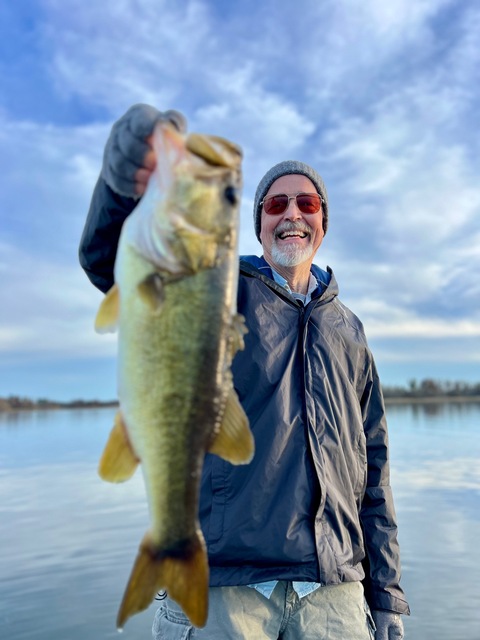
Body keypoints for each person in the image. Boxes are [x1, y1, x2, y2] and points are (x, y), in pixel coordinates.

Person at [79, 104, 410, 640]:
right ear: (258, 224)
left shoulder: (350, 330)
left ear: (323, 220)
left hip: (337, 590)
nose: (292, 214)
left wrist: (387, 593)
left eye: (306, 203)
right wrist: (122, 183)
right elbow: (110, 261)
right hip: (223, 584)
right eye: (276, 204)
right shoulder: (221, 288)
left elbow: (375, 467)